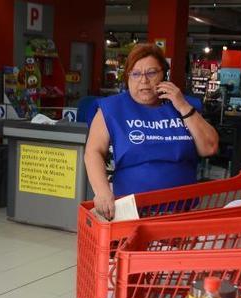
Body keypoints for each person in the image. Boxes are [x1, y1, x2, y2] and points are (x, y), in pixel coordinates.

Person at [84, 43, 219, 220]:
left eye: (151, 73)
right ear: (127, 77)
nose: (143, 80)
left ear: (164, 74)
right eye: (136, 74)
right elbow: (93, 151)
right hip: (131, 214)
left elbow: (210, 147)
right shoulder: (112, 108)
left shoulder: (183, 105)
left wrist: (182, 106)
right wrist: (102, 192)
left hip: (182, 213)